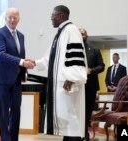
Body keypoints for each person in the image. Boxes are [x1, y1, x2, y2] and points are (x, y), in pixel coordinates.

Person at [31, 5, 87, 141]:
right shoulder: (60, 33)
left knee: (72, 121)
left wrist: (72, 79)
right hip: (61, 86)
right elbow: (50, 58)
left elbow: (76, 58)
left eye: (53, 15)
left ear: (61, 15)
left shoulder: (71, 30)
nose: (51, 18)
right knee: (66, 124)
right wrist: (34, 63)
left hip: (68, 86)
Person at [0, 8, 34, 141]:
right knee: (4, 113)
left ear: (19, 19)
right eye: (10, 17)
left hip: (16, 79)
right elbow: (1, 55)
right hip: (2, 78)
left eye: (15, 17)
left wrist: (24, 71)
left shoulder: (21, 35)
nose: (12, 19)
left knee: (16, 111)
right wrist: (22, 62)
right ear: (5, 18)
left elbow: (20, 55)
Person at [79, 28, 105, 141]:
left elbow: (102, 66)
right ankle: (77, 134)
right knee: (77, 111)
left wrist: (91, 70)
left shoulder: (94, 50)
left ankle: (85, 134)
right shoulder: (70, 50)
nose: (81, 35)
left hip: (90, 86)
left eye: (83, 34)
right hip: (76, 86)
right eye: (79, 34)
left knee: (87, 111)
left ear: (87, 36)